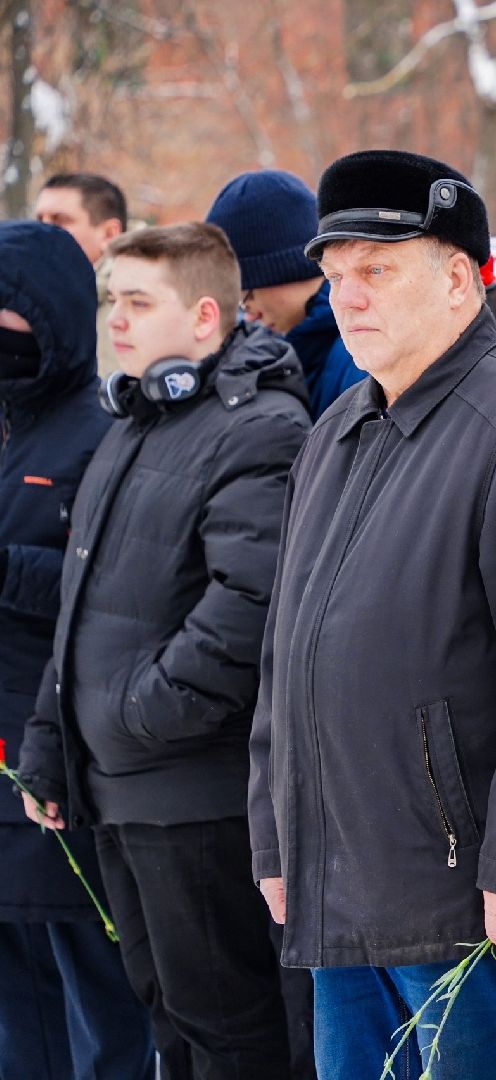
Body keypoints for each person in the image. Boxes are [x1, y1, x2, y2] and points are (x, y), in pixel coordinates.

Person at [246, 150, 496, 1079]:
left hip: (466, 895)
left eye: (377, 271)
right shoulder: (340, 428)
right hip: (339, 878)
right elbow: (286, 658)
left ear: (460, 277)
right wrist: (276, 832)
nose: (349, 298)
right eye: (337, 276)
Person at [16, 222, 311, 1078]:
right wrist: (51, 743)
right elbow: (83, 602)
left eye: (139, 302)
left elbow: (247, 608)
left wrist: (136, 714)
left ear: (206, 316)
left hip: (193, 796)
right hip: (118, 790)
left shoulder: (261, 428)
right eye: (113, 300)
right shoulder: (139, 417)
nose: (118, 319)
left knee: (230, 1031)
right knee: (166, 1019)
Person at [0, 221, 154, 1080]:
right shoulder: (5, 425)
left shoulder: (97, 432)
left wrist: (7, 572)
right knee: (17, 1020)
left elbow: (111, 588)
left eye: (11, 315)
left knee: (97, 1009)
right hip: (3, 760)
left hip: (63, 768)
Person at [206, 169, 366, 418]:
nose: (250, 316)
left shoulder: (361, 355)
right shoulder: (295, 345)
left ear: (283, 271)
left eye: (247, 297)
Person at [34, 172, 127, 377]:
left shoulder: (145, 302)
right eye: (39, 220)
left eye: (60, 221)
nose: (40, 231)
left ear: (109, 234)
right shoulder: (19, 300)